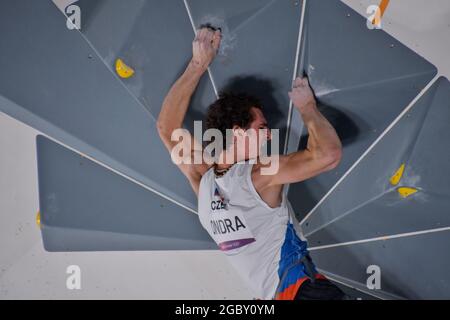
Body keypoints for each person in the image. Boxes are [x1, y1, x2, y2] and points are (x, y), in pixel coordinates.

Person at [157, 26, 346, 300]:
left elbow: (166, 127)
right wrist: (307, 108)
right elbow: (329, 155)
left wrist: (198, 65)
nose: (269, 135)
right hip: (300, 292)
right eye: (262, 127)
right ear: (237, 132)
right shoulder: (258, 174)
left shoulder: (204, 180)